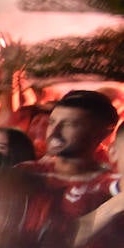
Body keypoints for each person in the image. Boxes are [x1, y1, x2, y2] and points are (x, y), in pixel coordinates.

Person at [19, 89, 117, 218]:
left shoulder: (110, 186)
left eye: (69, 124)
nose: (54, 132)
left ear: (102, 133)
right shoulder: (25, 171)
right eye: (52, 122)